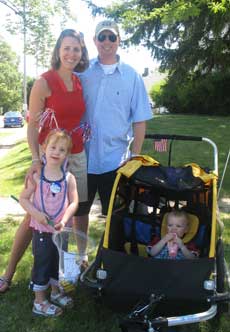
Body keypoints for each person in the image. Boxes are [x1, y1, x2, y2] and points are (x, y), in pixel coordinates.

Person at [0, 29, 89, 293]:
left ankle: (62, 270)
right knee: (33, 217)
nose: (71, 53)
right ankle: (8, 272)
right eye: (67, 47)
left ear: (81, 53)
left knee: (73, 211)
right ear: (58, 50)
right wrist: (36, 159)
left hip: (76, 154)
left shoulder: (80, 81)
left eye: (77, 49)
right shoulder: (44, 82)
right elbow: (31, 126)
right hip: (48, 156)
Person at [76, 20, 153, 235]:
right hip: (82, 158)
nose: (107, 41)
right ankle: (80, 257)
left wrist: (135, 157)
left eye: (112, 37)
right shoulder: (82, 72)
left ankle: (113, 261)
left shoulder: (132, 76)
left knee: (118, 215)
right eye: (102, 37)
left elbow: (139, 120)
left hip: (116, 161)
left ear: (119, 40)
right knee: (79, 212)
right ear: (94, 41)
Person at [19, 130, 78, 317]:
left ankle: (55, 292)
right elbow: (23, 199)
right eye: (52, 147)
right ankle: (39, 301)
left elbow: (74, 202)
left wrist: (65, 220)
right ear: (44, 148)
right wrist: (36, 214)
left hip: (61, 231)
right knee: (43, 263)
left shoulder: (69, 178)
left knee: (57, 262)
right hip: (42, 231)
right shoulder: (37, 176)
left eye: (62, 149)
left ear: (67, 154)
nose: (56, 152)